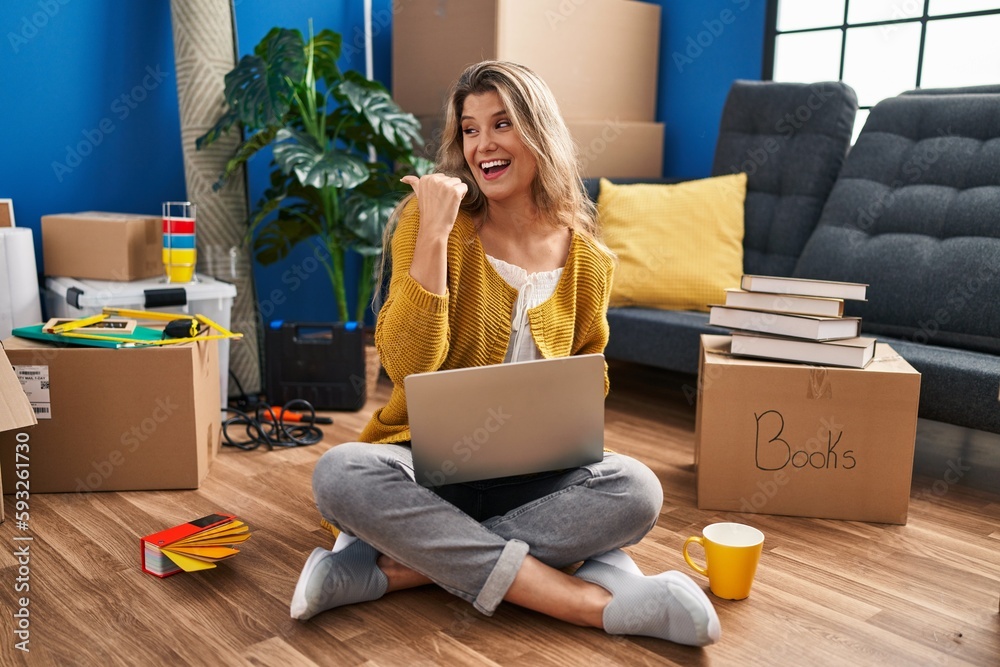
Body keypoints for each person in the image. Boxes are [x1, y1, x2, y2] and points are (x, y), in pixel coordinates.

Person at [290, 60, 720, 648]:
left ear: (538, 131)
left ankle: (392, 572)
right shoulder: (432, 221)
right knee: (341, 474)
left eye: (501, 124)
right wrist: (436, 235)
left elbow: (590, 375)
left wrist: (556, 419)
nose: (482, 145)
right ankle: (584, 603)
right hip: (429, 467)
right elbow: (406, 366)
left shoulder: (589, 260)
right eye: (469, 129)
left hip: (537, 475)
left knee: (638, 488)